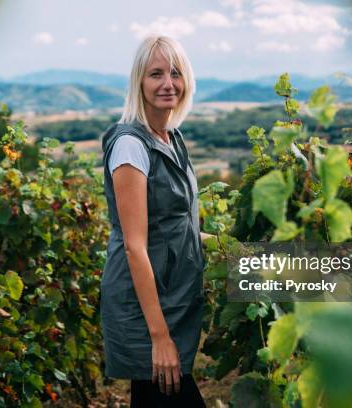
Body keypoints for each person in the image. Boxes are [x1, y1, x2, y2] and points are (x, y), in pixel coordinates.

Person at [100, 35, 208, 407]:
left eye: (175, 73)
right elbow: (135, 245)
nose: (168, 83)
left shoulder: (171, 138)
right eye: (156, 74)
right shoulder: (131, 145)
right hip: (146, 307)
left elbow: (176, 225)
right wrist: (159, 336)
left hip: (171, 297)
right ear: (139, 83)